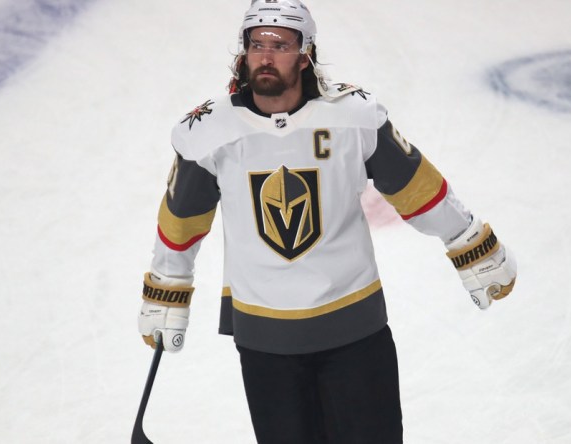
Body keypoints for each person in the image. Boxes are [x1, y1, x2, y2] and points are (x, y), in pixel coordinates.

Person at [137, 1, 517, 443]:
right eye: (256, 43)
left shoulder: (351, 116)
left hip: (354, 331)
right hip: (265, 340)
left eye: (280, 44)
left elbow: (416, 187)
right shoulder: (208, 132)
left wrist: (469, 242)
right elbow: (183, 218)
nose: (265, 54)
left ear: (305, 54)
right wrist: (168, 287)